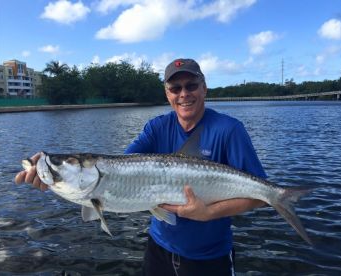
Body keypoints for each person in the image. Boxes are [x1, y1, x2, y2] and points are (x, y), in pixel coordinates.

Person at [15, 58, 267, 276]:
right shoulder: (156, 127)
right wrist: (50, 172)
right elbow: (123, 165)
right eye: (175, 88)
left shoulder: (229, 130)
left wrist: (207, 213)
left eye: (191, 86)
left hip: (210, 257)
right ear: (167, 93)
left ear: (204, 88)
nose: (183, 94)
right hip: (158, 250)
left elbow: (262, 197)